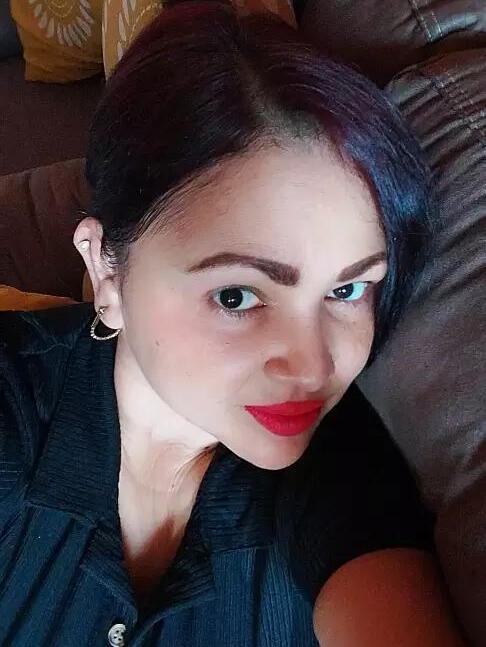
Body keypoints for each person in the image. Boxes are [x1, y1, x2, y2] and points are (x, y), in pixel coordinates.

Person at [0, 2, 466, 645]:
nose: (313, 366)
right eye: (237, 296)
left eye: (348, 290)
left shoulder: (347, 476)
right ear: (106, 268)